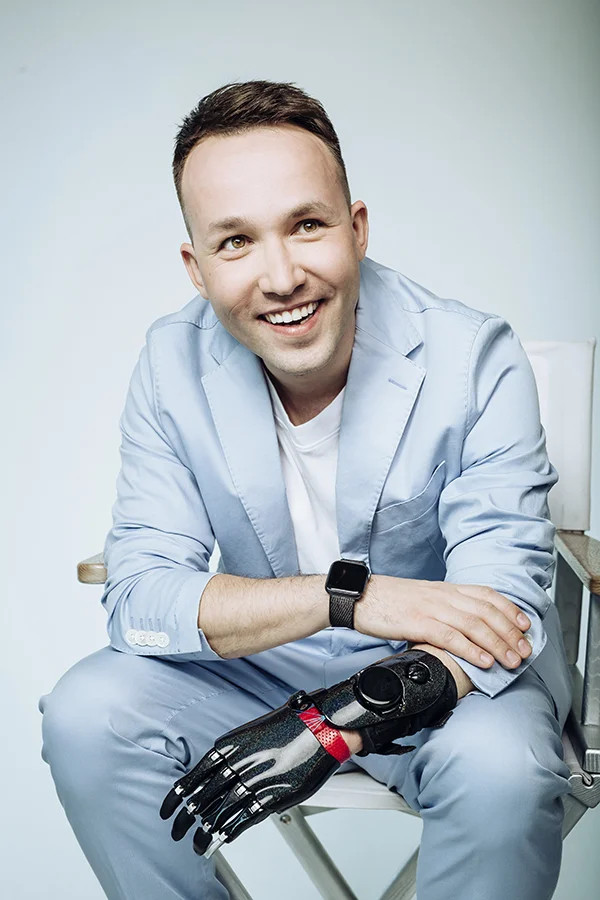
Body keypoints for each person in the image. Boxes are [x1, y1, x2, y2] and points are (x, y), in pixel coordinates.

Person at [39, 80, 573, 900]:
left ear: (356, 229)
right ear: (196, 268)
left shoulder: (472, 357)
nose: (281, 276)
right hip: (260, 666)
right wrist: (349, 598)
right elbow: (141, 597)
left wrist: (336, 719)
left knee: (506, 772)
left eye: (307, 225)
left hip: (445, 678)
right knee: (87, 715)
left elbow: (501, 610)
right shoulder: (169, 362)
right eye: (236, 242)